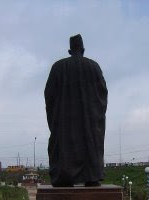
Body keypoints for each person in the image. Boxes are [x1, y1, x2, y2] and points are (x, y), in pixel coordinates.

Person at [45, 34, 108, 187]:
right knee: (90, 144)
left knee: (64, 145)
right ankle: (91, 177)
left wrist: (58, 113)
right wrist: (93, 111)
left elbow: (49, 94)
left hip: (64, 122)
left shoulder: (58, 67)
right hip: (89, 120)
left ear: (69, 50)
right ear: (83, 49)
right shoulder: (93, 66)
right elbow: (102, 92)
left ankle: (64, 176)